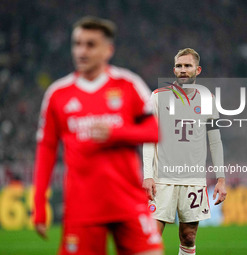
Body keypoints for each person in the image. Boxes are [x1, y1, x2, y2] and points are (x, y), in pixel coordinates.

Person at [33, 16, 163, 255]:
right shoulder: (57, 94)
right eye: (77, 44)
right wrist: (39, 204)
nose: (81, 51)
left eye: (90, 44)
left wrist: (117, 133)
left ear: (108, 50)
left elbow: (156, 131)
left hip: (129, 203)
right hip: (82, 209)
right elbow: (46, 149)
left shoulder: (128, 84)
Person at [143, 48, 227, 255]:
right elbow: (148, 138)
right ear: (174, 69)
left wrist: (221, 179)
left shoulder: (208, 98)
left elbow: (215, 141)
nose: (183, 70)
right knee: (151, 237)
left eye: (187, 66)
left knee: (188, 236)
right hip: (162, 179)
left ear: (197, 70)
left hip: (193, 180)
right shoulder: (158, 96)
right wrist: (148, 176)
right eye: (179, 66)